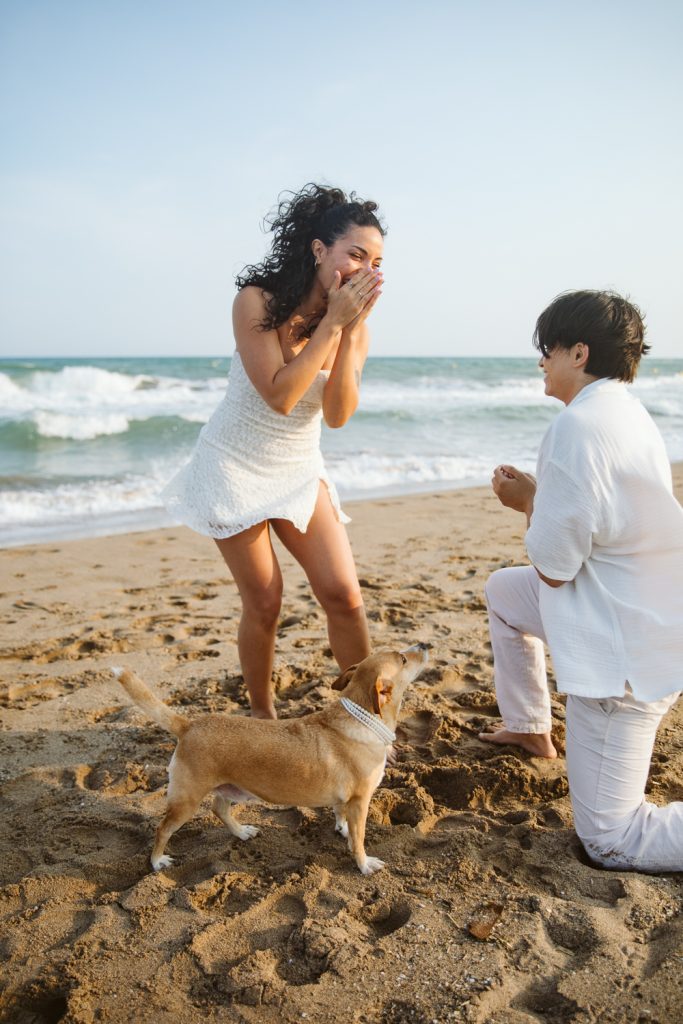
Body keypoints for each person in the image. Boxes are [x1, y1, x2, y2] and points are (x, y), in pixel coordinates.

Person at [162, 184, 385, 719]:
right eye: (355, 254)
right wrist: (332, 322)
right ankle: (262, 715)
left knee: (345, 598)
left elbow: (335, 415)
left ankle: (366, 718)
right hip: (233, 464)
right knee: (265, 601)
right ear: (317, 250)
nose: (365, 270)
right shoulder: (256, 302)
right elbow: (282, 395)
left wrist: (350, 333)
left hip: (298, 469)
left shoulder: (357, 329)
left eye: (375, 262)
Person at [480, 290, 683, 872]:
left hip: (622, 659)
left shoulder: (576, 428)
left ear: (579, 352)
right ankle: (528, 727)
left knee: (612, 839)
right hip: (637, 611)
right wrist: (540, 498)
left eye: (547, 349)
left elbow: (554, 567)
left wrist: (525, 502)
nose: (541, 361)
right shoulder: (626, 412)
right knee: (503, 592)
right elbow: (598, 527)